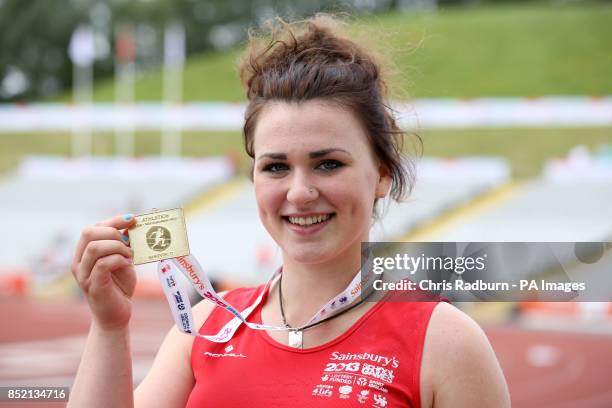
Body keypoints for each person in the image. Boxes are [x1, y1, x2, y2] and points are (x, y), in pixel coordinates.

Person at [68, 15, 510, 408]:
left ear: (381, 173)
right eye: (276, 166)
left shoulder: (445, 342)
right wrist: (109, 327)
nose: (299, 193)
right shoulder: (205, 328)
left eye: (328, 164)